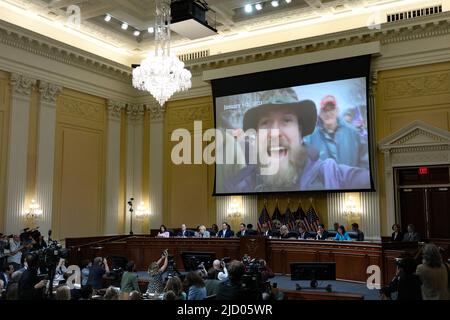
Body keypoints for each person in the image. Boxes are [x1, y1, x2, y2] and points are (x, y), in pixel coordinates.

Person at [223, 88, 370, 193]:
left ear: (300, 132)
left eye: (286, 120)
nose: (274, 134)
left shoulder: (332, 176)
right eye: (265, 123)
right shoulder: (238, 184)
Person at [305, 95, 369, 169]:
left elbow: (365, 162)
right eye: (325, 110)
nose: (328, 113)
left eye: (331, 109)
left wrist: (357, 178)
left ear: (337, 111)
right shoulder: (310, 138)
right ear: (320, 114)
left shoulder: (354, 133)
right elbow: (308, 167)